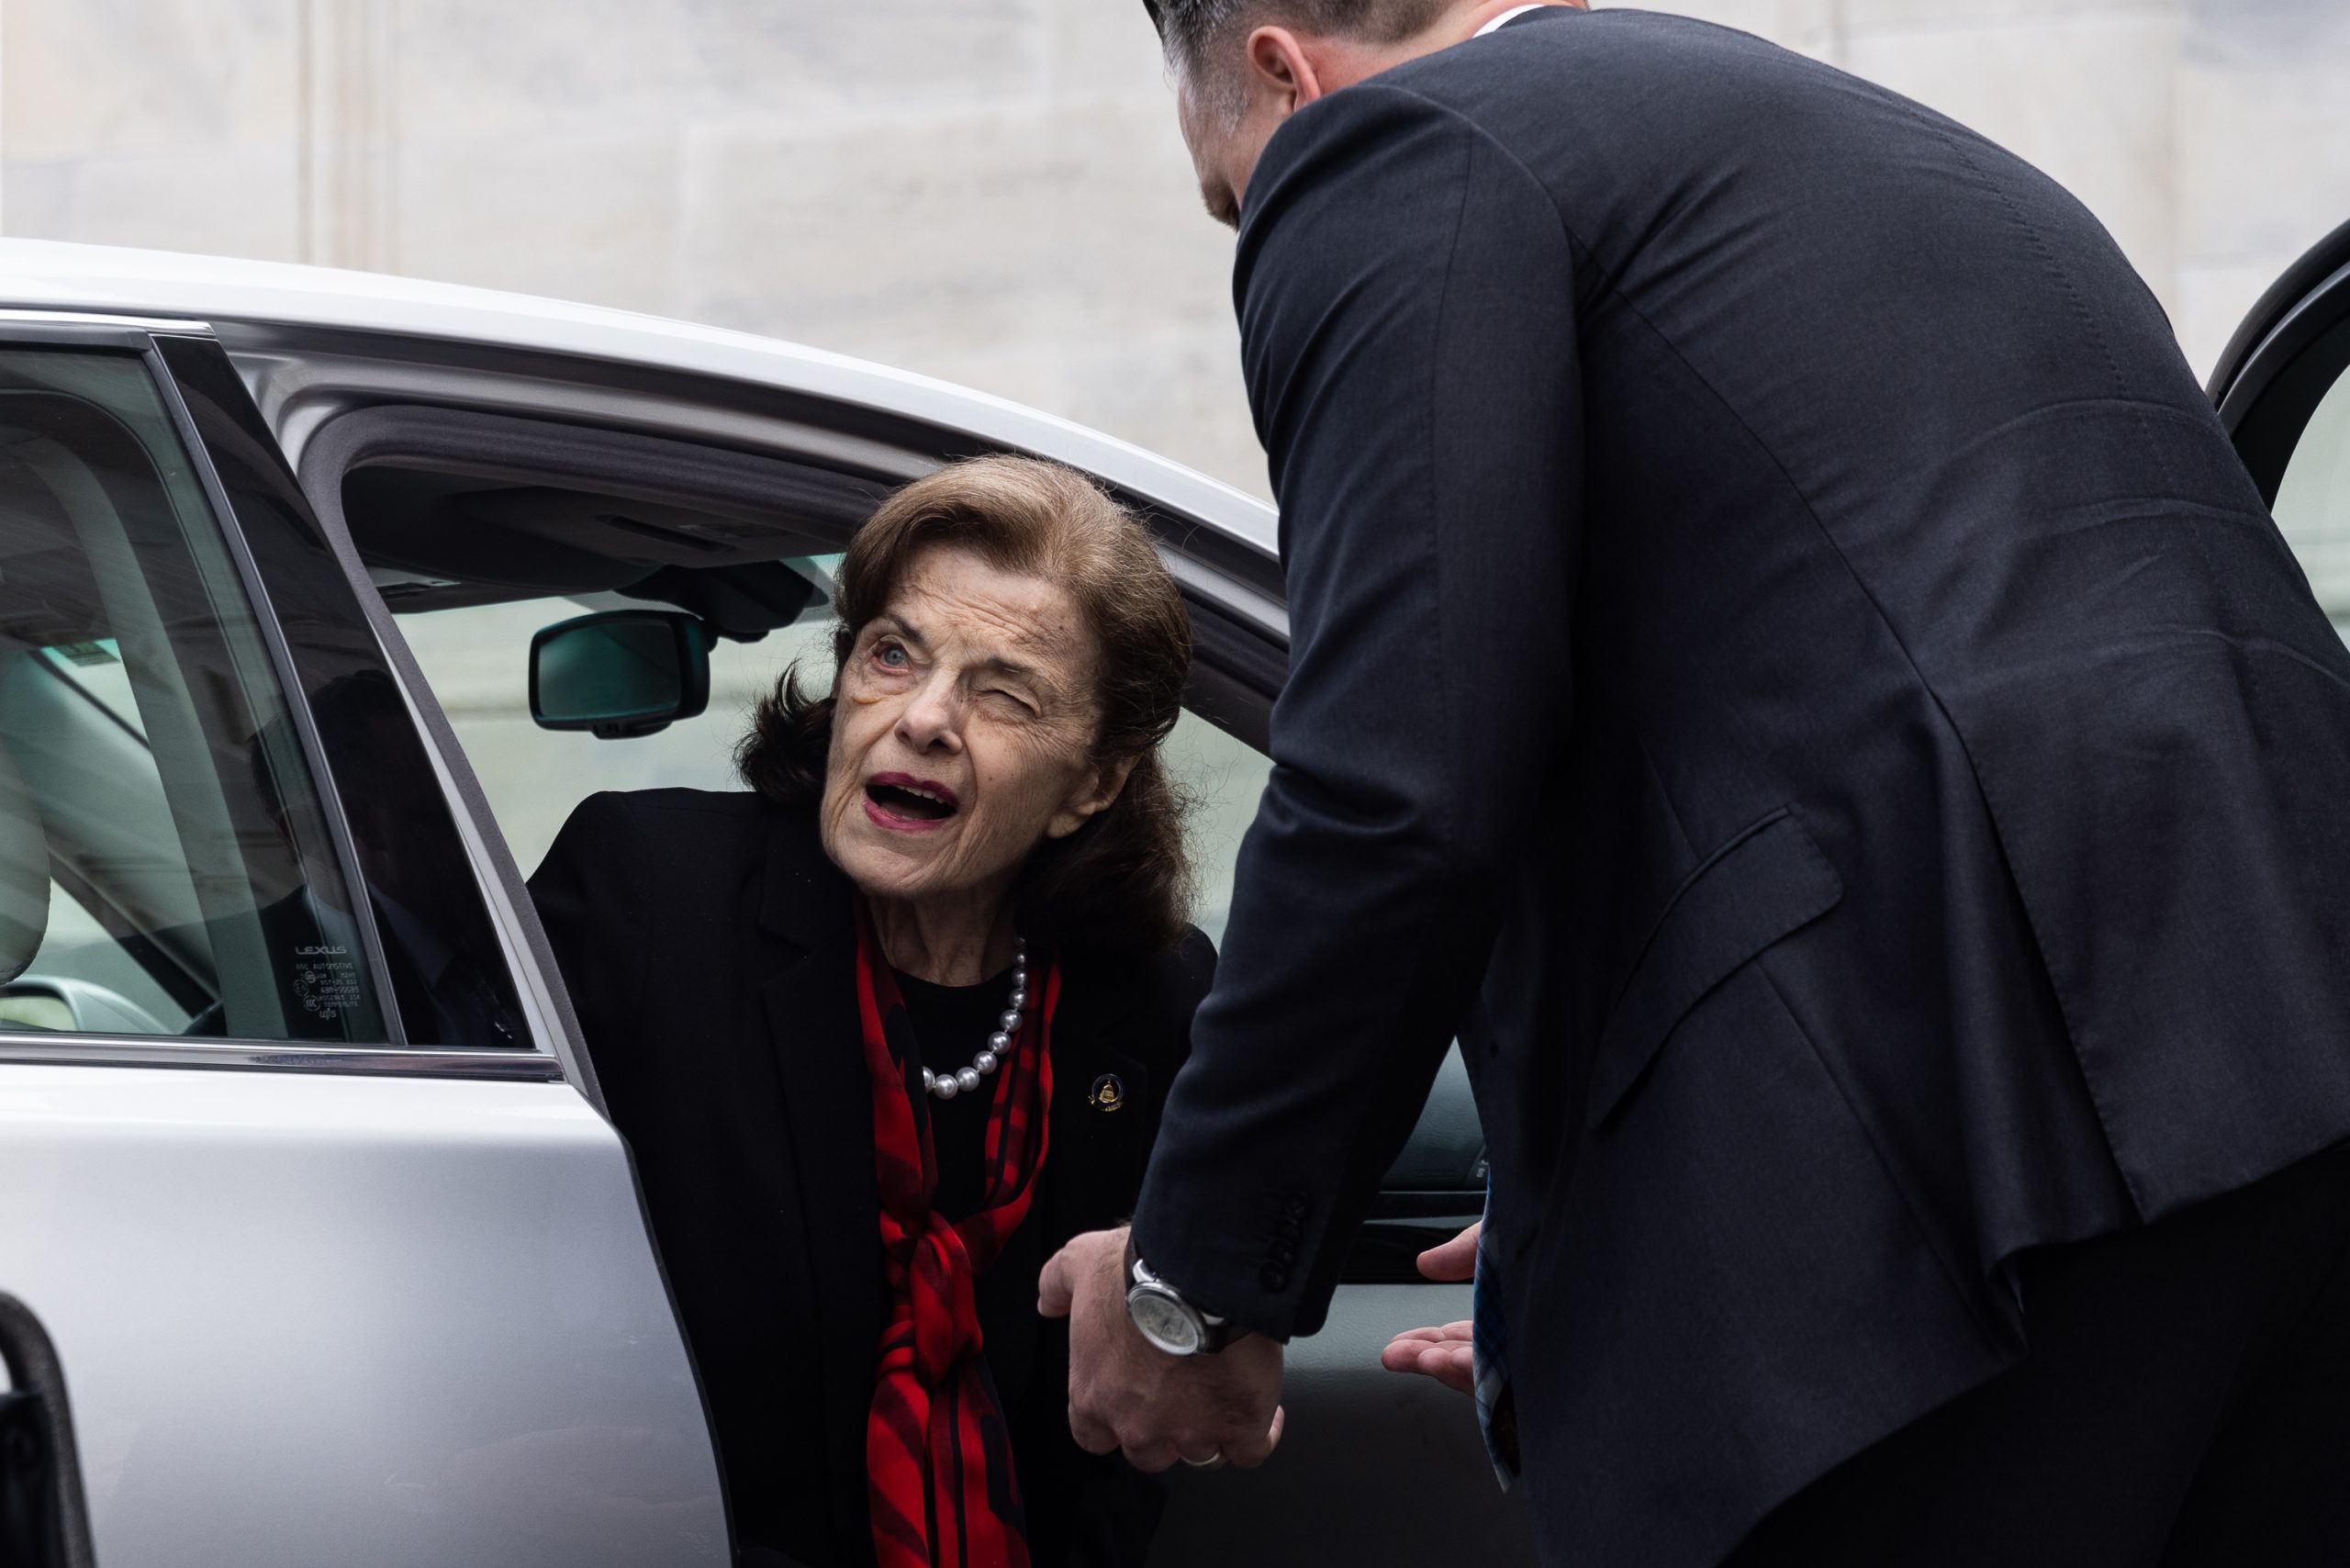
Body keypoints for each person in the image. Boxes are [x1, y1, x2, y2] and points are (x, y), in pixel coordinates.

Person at [1037, 4, 2350, 1565]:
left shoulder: (1388, 146)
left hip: (1972, 1190)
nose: (1257, 228)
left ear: (1277, 68)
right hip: (2296, 1076)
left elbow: (1401, 777)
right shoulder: (1924, 158)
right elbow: (1823, 693)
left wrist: (1198, 1276)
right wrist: (1600, 1204)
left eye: (1233, 199)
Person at [532, 455, 1213, 1568]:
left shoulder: (1149, 996)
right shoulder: (647, 895)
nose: (925, 718)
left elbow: (1111, 1457)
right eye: (892, 654)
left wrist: (1196, 1306)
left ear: (1091, 783)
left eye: (1003, 691)